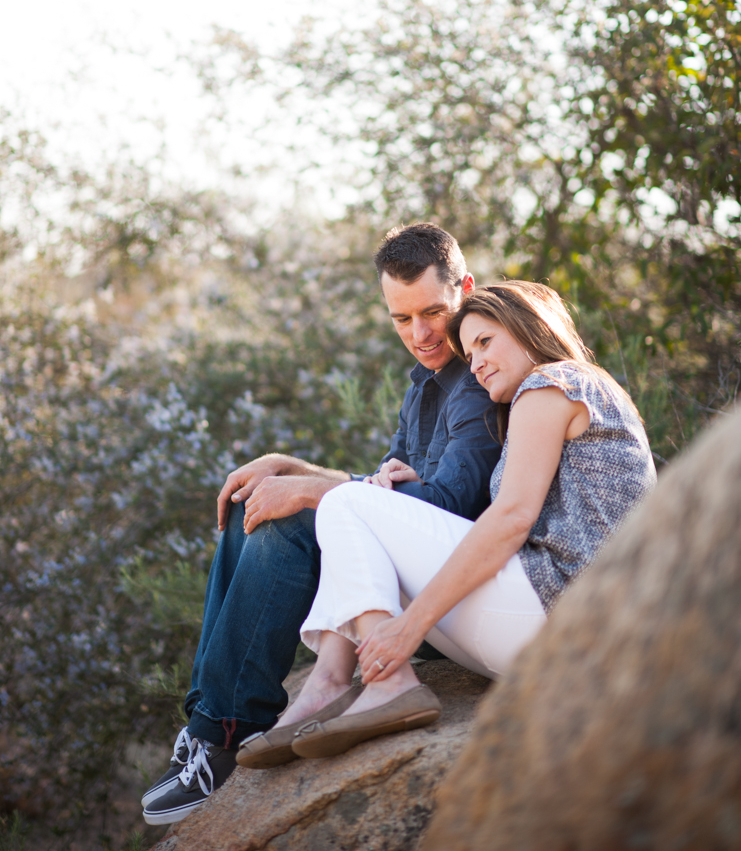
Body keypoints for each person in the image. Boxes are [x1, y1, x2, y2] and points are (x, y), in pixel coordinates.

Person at [142, 224, 502, 825]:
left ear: (464, 288)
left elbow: (448, 506)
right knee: (257, 505)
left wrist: (308, 490)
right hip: (417, 565)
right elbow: (380, 492)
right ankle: (207, 727)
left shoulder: (479, 380)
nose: (420, 334)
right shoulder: (424, 388)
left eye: (434, 312)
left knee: (289, 521)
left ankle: (226, 735)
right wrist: (294, 470)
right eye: (401, 319)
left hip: (458, 587)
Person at [257, 281, 657, 761]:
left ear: (529, 327)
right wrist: (414, 487)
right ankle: (331, 683)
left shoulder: (555, 382)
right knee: (361, 519)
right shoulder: (555, 397)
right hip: (560, 640)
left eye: (486, 342)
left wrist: (409, 627)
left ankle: (376, 684)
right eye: (469, 355)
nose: (478, 363)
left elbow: (510, 520)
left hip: (569, 619)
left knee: (345, 503)